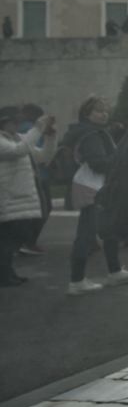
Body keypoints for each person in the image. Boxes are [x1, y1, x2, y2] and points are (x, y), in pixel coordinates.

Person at [63, 95, 128, 295]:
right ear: (87, 114)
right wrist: (121, 159)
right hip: (93, 188)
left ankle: (114, 272)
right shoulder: (92, 135)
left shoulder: (94, 132)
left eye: (105, 110)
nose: (103, 114)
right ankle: (77, 281)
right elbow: (99, 163)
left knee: (109, 230)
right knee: (86, 235)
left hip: (95, 187)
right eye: (98, 111)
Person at [0, 105, 56, 286]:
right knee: (8, 239)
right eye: (13, 121)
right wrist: (37, 129)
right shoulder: (4, 141)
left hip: (18, 198)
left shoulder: (18, 139)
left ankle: (8, 273)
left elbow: (43, 157)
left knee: (13, 238)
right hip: (7, 197)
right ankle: (4, 275)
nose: (18, 124)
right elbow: (18, 151)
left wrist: (49, 136)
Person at [17, 103, 51, 255]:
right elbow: (39, 154)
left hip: (33, 174)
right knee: (42, 209)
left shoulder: (20, 128)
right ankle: (27, 242)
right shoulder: (29, 129)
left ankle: (23, 242)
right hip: (37, 174)